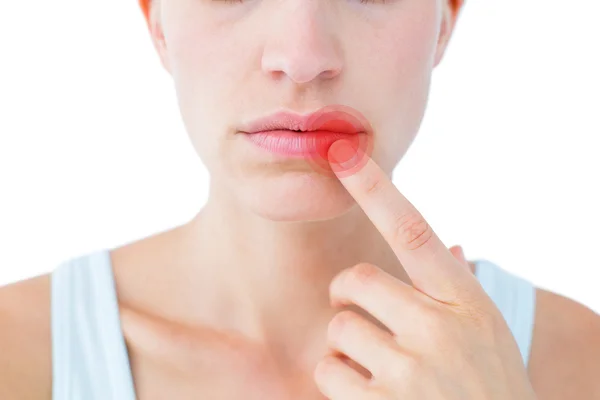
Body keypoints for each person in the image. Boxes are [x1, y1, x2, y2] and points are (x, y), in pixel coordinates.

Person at [1, 0, 599, 398]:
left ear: (446, 19)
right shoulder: (17, 355)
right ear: (156, 21)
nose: (303, 58)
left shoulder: (580, 365)